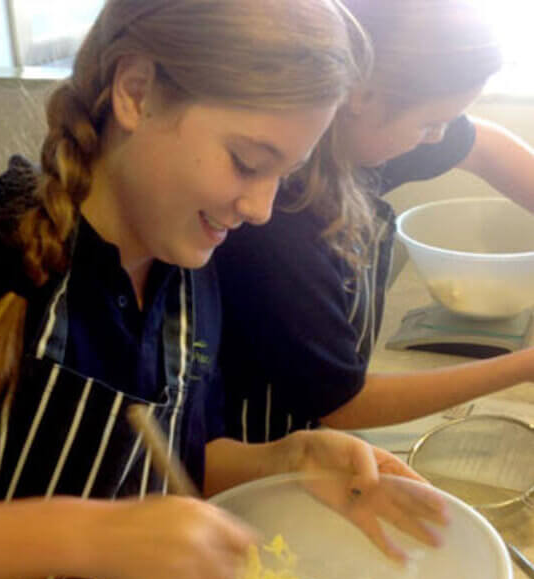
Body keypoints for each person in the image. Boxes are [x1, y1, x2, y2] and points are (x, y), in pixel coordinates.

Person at [0, 0, 448, 579]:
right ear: (136, 91)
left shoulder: (191, 272)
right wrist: (88, 536)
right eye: (245, 160)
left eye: (283, 174)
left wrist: (287, 459)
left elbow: (165, 463)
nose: (260, 208)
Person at [214, 0, 534, 442]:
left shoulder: (360, 139)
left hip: (320, 431)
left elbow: (485, 146)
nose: (437, 138)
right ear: (360, 96)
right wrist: (524, 366)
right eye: (429, 124)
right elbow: (344, 404)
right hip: (259, 444)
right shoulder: (278, 223)